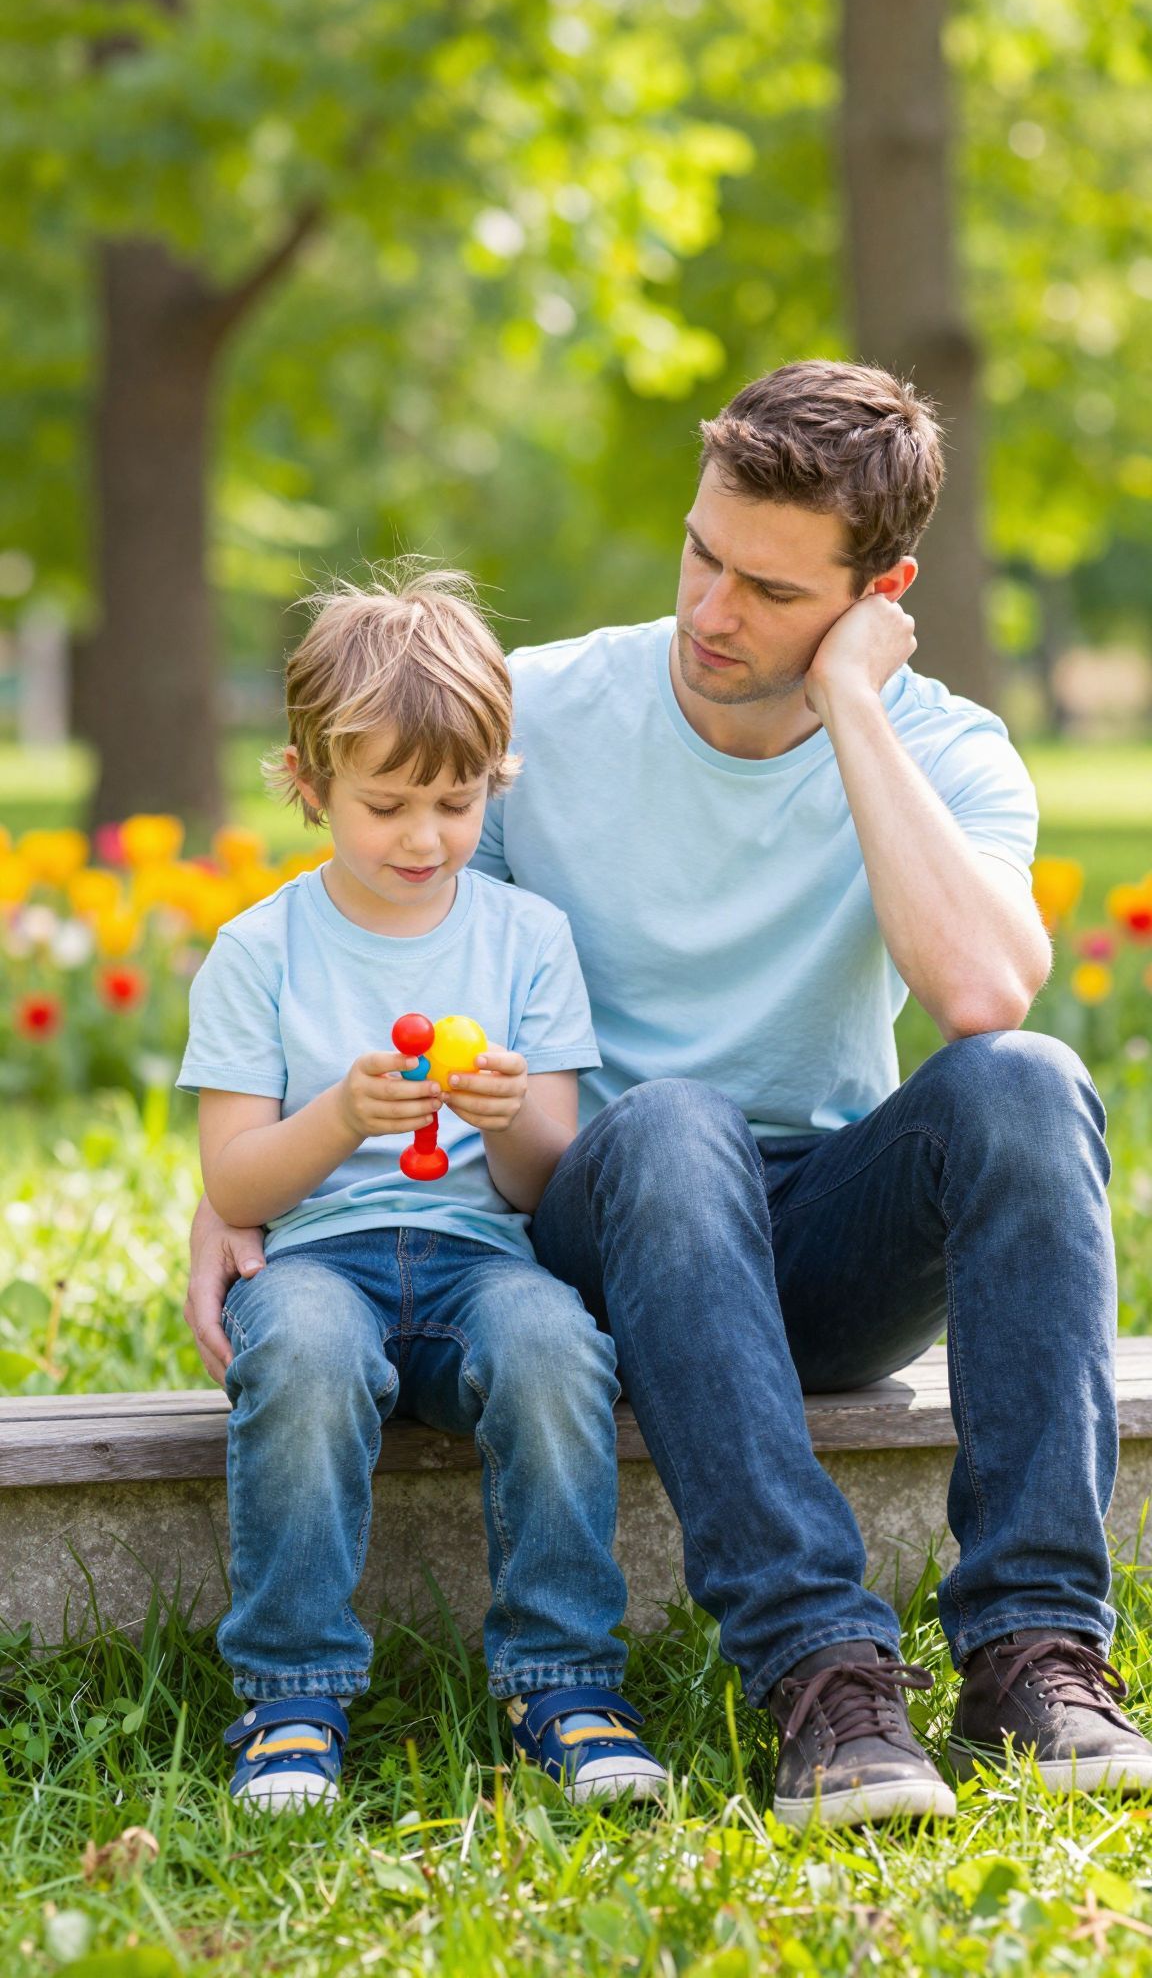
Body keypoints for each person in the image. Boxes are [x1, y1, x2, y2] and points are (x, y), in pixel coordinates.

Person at [187, 361, 1152, 1828]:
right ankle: (822, 1672)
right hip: (605, 1212)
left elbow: (978, 997)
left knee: (1026, 1082)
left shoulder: (940, 747)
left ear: (877, 592)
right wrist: (249, 1192)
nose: (712, 613)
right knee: (676, 1120)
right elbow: (403, 958)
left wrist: (848, 709)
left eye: (772, 591)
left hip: (817, 1243)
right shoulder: (546, 716)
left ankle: (1034, 1650)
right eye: (704, 554)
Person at [176, 564, 667, 1810]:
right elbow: (233, 1173)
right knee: (298, 1350)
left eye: (454, 802)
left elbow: (547, 1173)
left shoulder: (524, 937)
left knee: (557, 1345)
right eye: (387, 803)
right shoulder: (259, 950)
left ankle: (564, 1679)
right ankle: (291, 1695)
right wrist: (336, 1112)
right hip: (322, 1260)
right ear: (307, 783)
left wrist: (507, 1118)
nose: (424, 838)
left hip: (483, 1262)